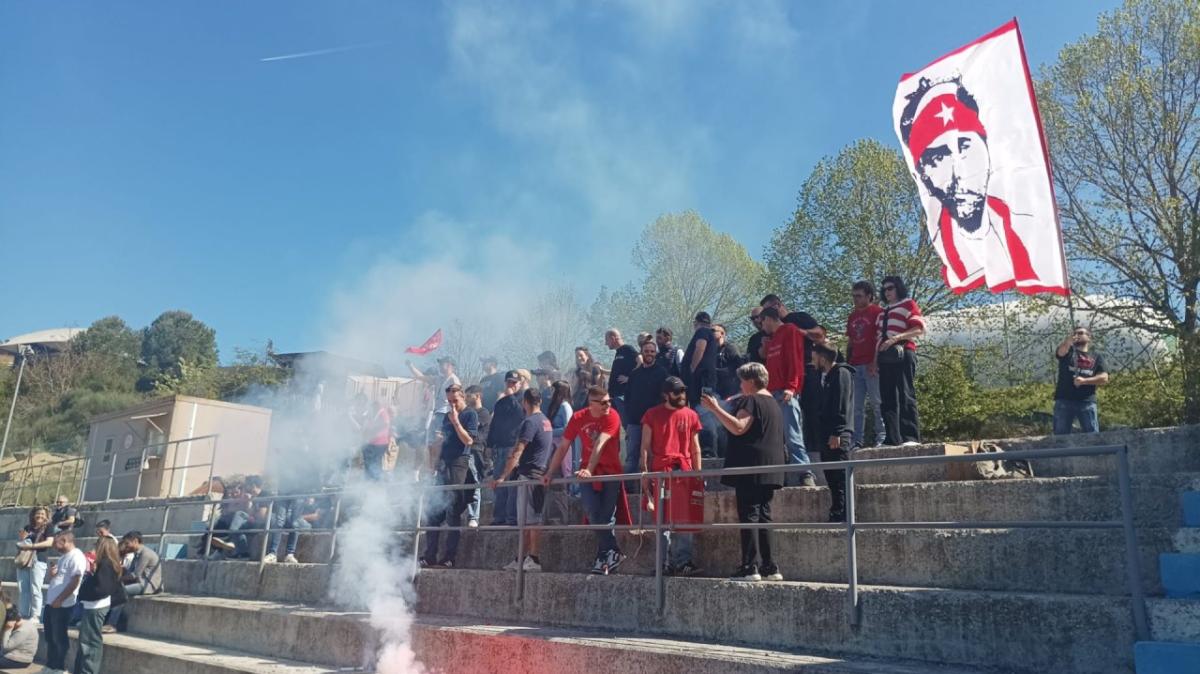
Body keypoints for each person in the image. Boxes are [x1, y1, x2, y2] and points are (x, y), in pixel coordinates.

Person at [898, 75, 1042, 292]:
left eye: (964, 147)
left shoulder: (1028, 223)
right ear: (923, 177)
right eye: (937, 159)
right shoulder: (945, 241)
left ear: (986, 148)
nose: (957, 173)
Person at [702, 363, 786, 582]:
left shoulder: (750, 401)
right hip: (772, 466)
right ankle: (769, 566)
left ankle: (750, 567)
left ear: (750, 381)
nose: (740, 384)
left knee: (749, 514)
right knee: (764, 515)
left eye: (742, 380)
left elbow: (739, 427)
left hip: (751, 466)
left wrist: (715, 409)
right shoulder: (773, 403)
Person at [543, 385, 625, 575]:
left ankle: (603, 557)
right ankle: (613, 552)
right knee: (591, 511)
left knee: (606, 516)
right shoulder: (579, 417)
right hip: (586, 473)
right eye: (603, 403)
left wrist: (589, 469)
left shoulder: (612, 415)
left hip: (610, 472)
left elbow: (600, 443)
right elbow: (563, 446)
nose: (608, 405)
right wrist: (549, 472)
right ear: (592, 403)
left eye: (609, 401)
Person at [640, 377, 703, 577]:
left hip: (684, 471)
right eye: (677, 392)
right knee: (662, 519)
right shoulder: (652, 414)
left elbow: (695, 447)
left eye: (683, 391)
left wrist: (698, 475)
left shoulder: (692, 415)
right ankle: (663, 563)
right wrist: (644, 472)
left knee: (685, 519)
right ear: (666, 394)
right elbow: (644, 447)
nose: (682, 395)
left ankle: (683, 562)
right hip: (661, 471)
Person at [490, 388, 554, 572]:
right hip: (536, 473)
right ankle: (522, 558)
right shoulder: (545, 421)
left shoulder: (530, 422)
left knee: (532, 520)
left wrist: (502, 477)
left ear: (524, 402)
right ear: (540, 401)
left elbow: (518, 451)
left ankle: (533, 559)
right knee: (525, 522)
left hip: (530, 476)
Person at [420, 384, 479, 568]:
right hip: (444, 464)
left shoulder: (470, 415)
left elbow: (468, 440)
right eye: (449, 401)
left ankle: (449, 557)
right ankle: (429, 555)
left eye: (455, 400)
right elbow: (438, 444)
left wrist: (456, 422)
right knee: (433, 513)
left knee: (453, 510)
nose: (452, 405)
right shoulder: (446, 417)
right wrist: (433, 462)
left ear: (462, 397)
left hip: (459, 462)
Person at [759, 307, 815, 486]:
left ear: (769, 318)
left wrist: (792, 387)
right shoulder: (772, 339)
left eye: (762, 322)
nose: (762, 327)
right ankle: (780, 476)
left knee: (792, 434)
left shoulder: (789, 330)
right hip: (772, 393)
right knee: (776, 438)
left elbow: (795, 360)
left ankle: (805, 473)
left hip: (785, 392)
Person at [876, 276, 925, 446]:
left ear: (898, 288)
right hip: (885, 357)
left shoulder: (908, 304)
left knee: (905, 394)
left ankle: (910, 436)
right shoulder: (882, 312)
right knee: (887, 397)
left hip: (904, 352)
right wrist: (875, 360)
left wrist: (896, 338)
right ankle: (892, 437)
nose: (887, 292)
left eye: (890, 288)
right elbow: (878, 337)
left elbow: (919, 329)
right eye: (884, 289)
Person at [813, 344, 854, 522]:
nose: (812, 361)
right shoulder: (828, 376)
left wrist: (837, 432)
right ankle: (837, 510)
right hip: (826, 433)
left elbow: (841, 404)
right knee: (831, 475)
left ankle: (844, 513)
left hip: (837, 435)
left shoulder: (841, 374)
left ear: (823, 358)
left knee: (840, 475)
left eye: (814, 357)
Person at [624, 340, 669, 491]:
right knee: (632, 457)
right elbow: (628, 396)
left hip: (654, 423)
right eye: (646, 351)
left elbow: (665, 398)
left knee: (653, 456)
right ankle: (629, 491)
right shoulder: (634, 374)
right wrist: (629, 416)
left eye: (652, 351)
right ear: (641, 352)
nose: (649, 353)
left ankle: (652, 490)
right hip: (635, 422)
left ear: (655, 353)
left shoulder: (662, 373)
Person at [846, 281, 886, 449]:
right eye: (854, 296)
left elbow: (881, 338)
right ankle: (857, 440)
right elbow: (850, 341)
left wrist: (875, 361)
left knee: (877, 402)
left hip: (872, 364)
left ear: (869, 296)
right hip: (856, 364)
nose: (855, 299)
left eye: (859, 296)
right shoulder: (852, 316)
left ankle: (882, 437)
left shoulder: (878, 312)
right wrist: (847, 364)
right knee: (856, 406)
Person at [75, 537, 123, 674]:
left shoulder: (106, 564)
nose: (95, 547)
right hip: (93, 606)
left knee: (90, 643)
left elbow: (102, 589)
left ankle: (88, 671)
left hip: (96, 607)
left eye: (97, 545)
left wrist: (85, 593)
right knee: (86, 641)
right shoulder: (108, 563)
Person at [1053, 327, 1109, 434]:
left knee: (1092, 435)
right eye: (1075, 333)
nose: (1077, 335)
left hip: (1087, 401)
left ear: (1089, 337)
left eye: (1081, 333)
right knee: (1060, 436)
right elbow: (1060, 352)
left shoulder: (1097, 357)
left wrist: (1084, 381)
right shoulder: (1068, 353)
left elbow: (1104, 378)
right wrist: (1068, 341)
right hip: (1064, 399)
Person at [44, 531, 86, 673]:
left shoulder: (77, 556)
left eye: (56, 542)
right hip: (51, 603)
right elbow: (60, 579)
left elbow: (76, 580)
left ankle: (60, 667)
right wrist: (53, 575)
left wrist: (60, 599)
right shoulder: (63, 557)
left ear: (65, 540)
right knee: (50, 636)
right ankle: (51, 665)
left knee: (59, 637)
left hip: (63, 605)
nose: (54, 545)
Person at [103, 531, 161, 633]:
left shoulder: (146, 554)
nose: (126, 546)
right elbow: (130, 572)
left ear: (135, 541)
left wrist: (119, 580)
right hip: (139, 582)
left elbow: (135, 574)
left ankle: (112, 624)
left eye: (127, 543)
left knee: (121, 592)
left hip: (147, 585)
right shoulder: (137, 554)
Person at [487, 371, 525, 527]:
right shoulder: (500, 403)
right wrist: (489, 445)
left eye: (514, 382)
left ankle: (511, 518)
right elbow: (494, 425)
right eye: (509, 382)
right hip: (500, 447)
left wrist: (510, 397)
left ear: (520, 383)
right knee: (498, 483)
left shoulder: (522, 399)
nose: (512, 385)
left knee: (511, 484)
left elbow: (519, 416)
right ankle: (499, 517)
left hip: (513, 446)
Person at [408, 356, 462, 459]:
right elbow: (422, 377)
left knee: (438, 440)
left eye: (443, 364)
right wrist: (410, 366)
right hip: (436, 413)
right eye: (440, 364)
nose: (440, 366)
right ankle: (432, 466)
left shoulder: (454, 381)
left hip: (445, 413)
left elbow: (458, 400)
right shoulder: (439, 378)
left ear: (450, 366)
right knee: (430, 441)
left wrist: (454, 415)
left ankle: (437, 465)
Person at [543, 380, 576, 523]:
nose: (550, 393)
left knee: (559, 481)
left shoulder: (565, 406)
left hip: (561, 448)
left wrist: (549, 431)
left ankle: (560, 518)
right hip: (551, 448)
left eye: (553, 390)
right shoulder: (553, 407)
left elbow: (569, 428)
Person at [14, 506, 51, 622]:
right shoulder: (28, 527)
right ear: (33, 515)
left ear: (46, 516)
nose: (40, 516)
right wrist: (22, 539)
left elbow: (49, 543)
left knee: (35, 589)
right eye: (37, 514)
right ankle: (23, 613)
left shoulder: (48, 527)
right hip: (25, 560)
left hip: (38, 560)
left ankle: (35, 615)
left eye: (42, 514)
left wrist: (31, 546)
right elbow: (22, 544)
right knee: (23, 588)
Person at [464, 384, 492, 528]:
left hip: (476, 452)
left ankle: (474, 516)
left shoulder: (483, 413)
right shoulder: (466, 413)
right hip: (464, 451)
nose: (467, 399)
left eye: (469, 396)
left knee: (474, 483)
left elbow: (477, 436)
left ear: (478, 396)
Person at [604, 329, 640, 424]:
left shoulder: (627, 349)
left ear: (613, 338)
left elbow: (641, 362)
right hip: (614, 396)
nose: (605, 343)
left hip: (622, 396)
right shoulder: (618, 353)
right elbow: (617, 372)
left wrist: (630, 378)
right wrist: (603, 371)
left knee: (627, 424)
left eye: (606, 340)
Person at [360, 399, 392, 481]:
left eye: (373, 406)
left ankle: (375, 481)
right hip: (374, 442)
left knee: (375, 463)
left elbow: (386, 424)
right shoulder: (375, 413)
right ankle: (370, 479)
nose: (372, 408)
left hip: (380, 443)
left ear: (377, 406)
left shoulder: (383, 413)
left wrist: (373, 431)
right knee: (370, 462)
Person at [713, 323, 744, 399]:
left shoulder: (730, 348)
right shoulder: (711, 351)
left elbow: (740, 367)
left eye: (713, 330)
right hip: (716, 393)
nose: (710, 333)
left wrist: (715, 371)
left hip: (730, 393)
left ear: (722, 334)